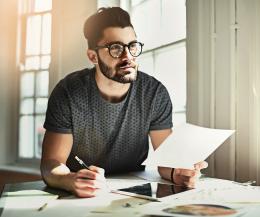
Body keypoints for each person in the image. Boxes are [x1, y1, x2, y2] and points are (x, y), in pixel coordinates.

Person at [40, 7, 208, 198]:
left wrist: (177, 173)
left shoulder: (154, 93)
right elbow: (51, 164)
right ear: (93, 56)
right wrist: (70, 180)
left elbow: (166, 160)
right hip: (79, 195)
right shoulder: (68, 92)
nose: (128, 56)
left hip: (134, 191)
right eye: (116, 48)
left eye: (132, 46)